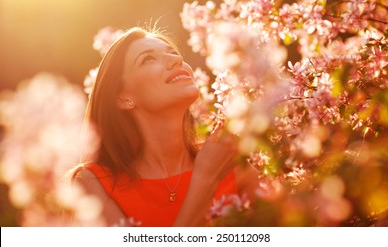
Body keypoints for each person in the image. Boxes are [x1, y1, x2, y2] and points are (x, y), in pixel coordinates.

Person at [72, 26, 259, 226]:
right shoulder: (92, 183)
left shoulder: (230, 161)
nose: (177, 60)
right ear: (122, 96)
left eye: (173, 53)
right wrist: (205, 180)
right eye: (148, 59)